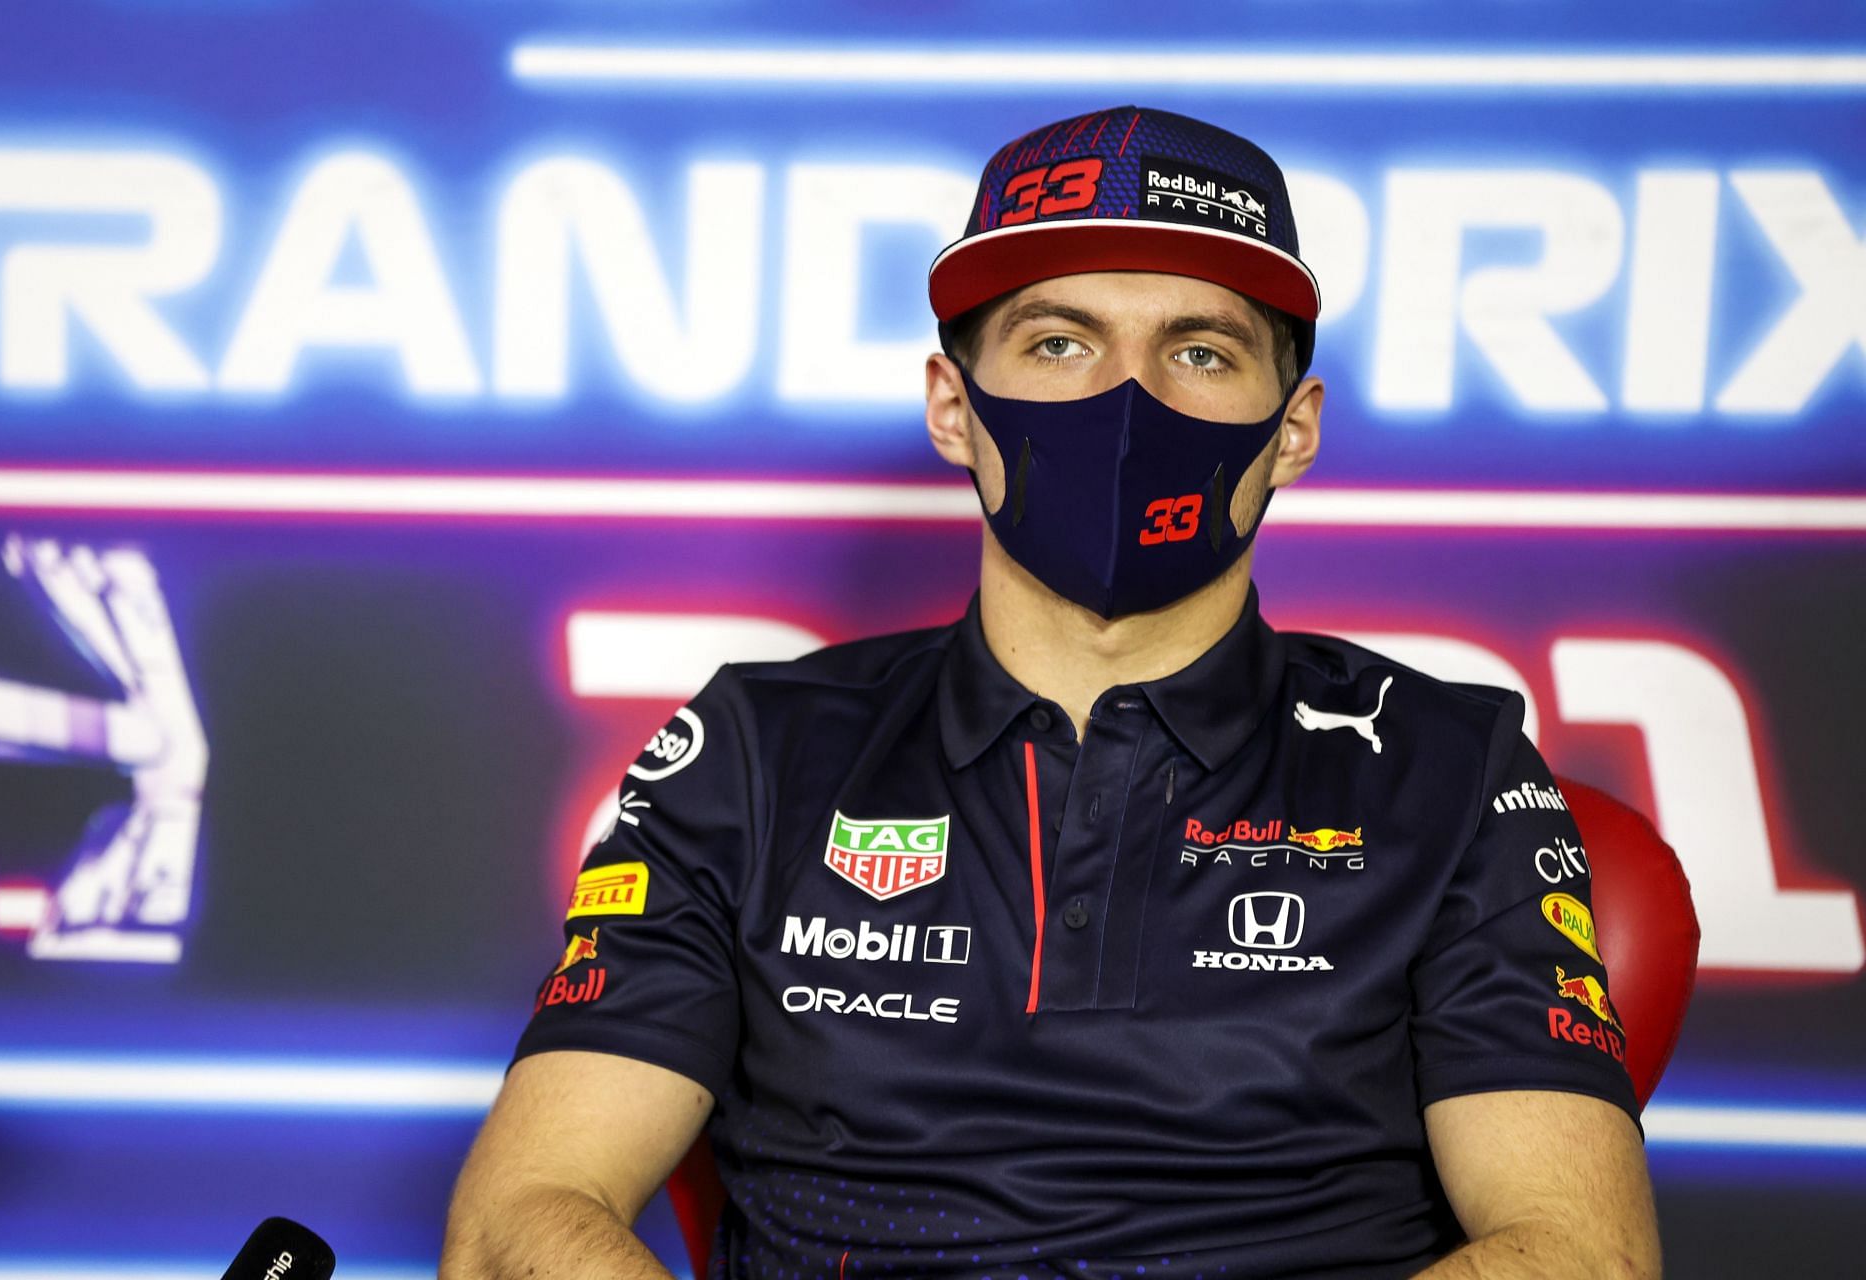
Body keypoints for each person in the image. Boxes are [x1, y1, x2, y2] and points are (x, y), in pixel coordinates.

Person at [441, 106, 1659, 1279]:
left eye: (1200, 349)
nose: (1128, 401)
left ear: (1294, 428)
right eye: (1059, 341)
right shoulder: (753, 752)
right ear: (953, 408)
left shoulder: (1451, 765)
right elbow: (527, 1218)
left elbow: (1577, 1251)